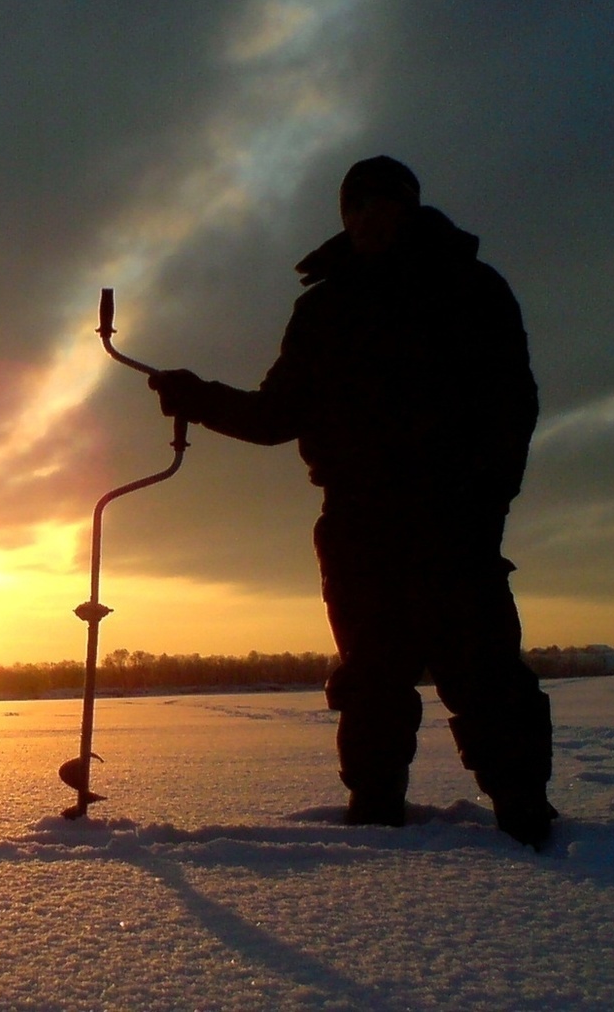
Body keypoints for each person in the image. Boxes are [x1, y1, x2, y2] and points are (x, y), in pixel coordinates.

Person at [150, 156, 557, 849]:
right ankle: (375, 826)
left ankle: (527, 818)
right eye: (353, 206)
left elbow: (511, 406)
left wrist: (485, 502)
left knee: (485, 672)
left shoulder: (470, 288)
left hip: (452, 519)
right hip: (358, 525)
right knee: (370, 681)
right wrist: (199, 396)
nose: (366, 217)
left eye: (380, 203)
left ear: (408, 207)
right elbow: (277, 415)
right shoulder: (323, 308)